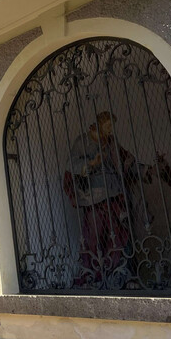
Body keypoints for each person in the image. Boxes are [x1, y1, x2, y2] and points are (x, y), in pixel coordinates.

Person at [63, 111, 149, 288]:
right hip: (94, 197)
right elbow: (71, 164)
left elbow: (126, 163)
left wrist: (146, 170)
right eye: (108, 126)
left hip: (115, 194)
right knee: (94, 235)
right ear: (100, 124)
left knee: (119, 233)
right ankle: (93, 273)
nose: (111, 130)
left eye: (112, 127)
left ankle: (120, 273)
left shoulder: (111, 143)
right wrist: (92, 164)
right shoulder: (83, 141)